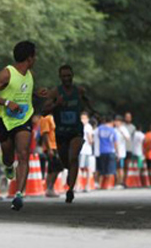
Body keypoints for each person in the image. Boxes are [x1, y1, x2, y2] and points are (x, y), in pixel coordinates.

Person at [0, 41, 43, 211]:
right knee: (9, 157)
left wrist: (37, 93)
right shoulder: (7, 73)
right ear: (29, 58)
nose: (35, 59)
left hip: (24, 119)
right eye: (34, 56)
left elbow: (23, 89)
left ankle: (19, 195)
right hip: (5, 121)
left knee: (23, 154)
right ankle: (8, 165)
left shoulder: (30, 74)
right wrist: (6, 102)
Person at [42, 64, 97, 203]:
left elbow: (87, 102)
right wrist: (56, 104)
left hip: (76, 131)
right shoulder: (55, 92)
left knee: (73, 158)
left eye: (69, 75)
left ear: (72, 76)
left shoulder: (79, 91)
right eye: (64, 76)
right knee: (66, 162)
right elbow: (44, 112)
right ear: (60, 77)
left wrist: (94, 112)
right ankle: (70, 174)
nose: (67, 78)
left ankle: (70, 189)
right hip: (61, 132)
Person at [94, 116, 118, 189]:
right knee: (110, 170)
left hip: (101, 151)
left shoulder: (99, 129)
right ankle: (108, 185)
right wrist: (117, 152)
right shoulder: (113, 130)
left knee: (102, 170)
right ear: (111, 122)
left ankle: (100, 184)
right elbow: (115, 142)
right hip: (110, 151)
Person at [39, 114, 60, 197]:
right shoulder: (45, 118)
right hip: (51, 146)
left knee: (52, 168)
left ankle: (50, 189)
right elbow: (45, 134)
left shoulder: (52, 117)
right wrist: (49, 149)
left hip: (55, 145)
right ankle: (49, 188)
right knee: (56, 167)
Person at [78, 112, 95, 193]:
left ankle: (83, 185)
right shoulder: (85, 127)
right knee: (82, 168)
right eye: (82, 118)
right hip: (82, 150)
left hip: (85, 150)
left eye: (84, 118)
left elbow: (90, 139)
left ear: (88, 119)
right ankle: (82, 185)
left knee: (83, 168)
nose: (83, 120)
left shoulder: (87, 127)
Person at [113, 115, 128, 188]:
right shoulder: (114, 129)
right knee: (115, 168)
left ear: (120, 122)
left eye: (117, 121)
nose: (116, 122)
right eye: (115, 121)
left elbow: (128, 139)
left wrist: (122, 133)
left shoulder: (123, 129)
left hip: (121, 152)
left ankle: (121, 182)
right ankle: (116, 182)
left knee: (120, 168)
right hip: (114, 151)